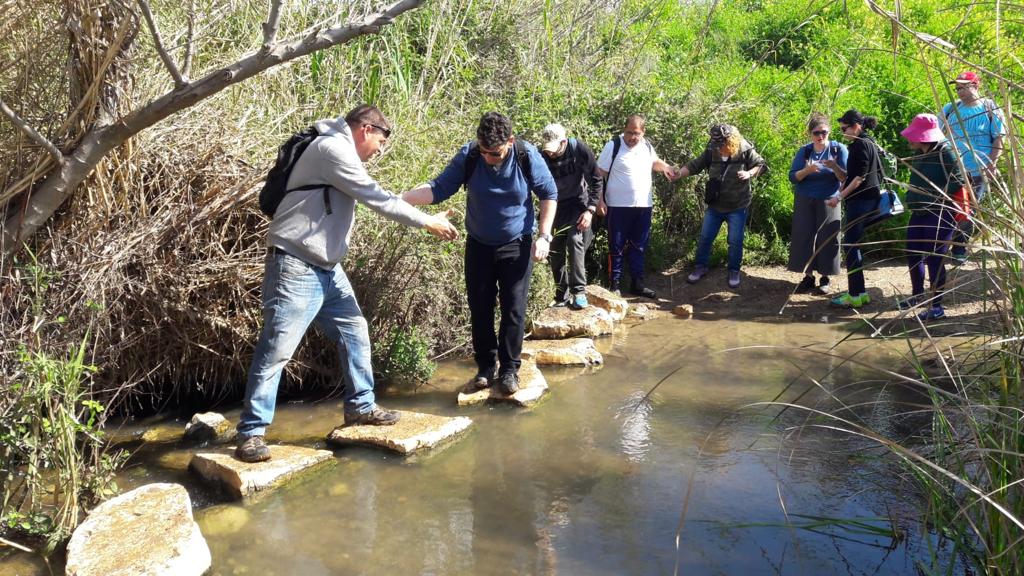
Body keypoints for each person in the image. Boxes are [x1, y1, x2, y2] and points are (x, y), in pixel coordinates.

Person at [235, 104, 459, 463]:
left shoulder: (338, 152)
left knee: (355, 330)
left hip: (326, 267)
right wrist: (425, 222)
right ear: (366, 130)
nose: (379, 152)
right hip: (296, 262)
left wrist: (419, 213)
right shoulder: (332, 149)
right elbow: (374, 197)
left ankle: (360, 407)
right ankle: (251, 433)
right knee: (277, 348)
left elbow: (376, 196)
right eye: (381, 144)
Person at [403, 112, 557, 396]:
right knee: (480, 307)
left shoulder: (526, 155)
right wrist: (398, 200)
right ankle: (485, 368)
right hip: (479, 244)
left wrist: (544, 236)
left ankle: (509, 370)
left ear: (510, 142)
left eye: (495, 154)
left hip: (517, 243)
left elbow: (549, 193)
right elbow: (438, 189)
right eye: (484, 151)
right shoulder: (471, 155)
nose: (489, 158)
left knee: (513, 309)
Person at [595, 114, 676, 298]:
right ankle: (614, 285)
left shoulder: (646, 146)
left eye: (636, 133)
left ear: (643, 133)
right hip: (617, 206)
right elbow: (599, 175)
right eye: (629, 132)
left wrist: (667, 168)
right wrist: (599, 201)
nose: (632, 137)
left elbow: (654, 162)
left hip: (643, 206)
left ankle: (637, 284)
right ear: (624, 130)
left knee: (639, 246)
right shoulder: (613, 146)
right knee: (616, 246)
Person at [678, 124, 767, 288]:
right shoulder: (711, 150)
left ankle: (734, 270)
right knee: (705, 238)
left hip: (738, 205)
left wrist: (749, 173)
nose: (719, 148)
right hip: (715, 205)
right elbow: (694, 165)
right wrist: (679, 173)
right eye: (716, 145)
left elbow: (761, 165)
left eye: (722, 145)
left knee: (735, 240)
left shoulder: (744, 149)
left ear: (731, 141)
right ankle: (700, 267)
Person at [899, 113, 964, 321]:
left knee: (935, 258)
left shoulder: (946, 153)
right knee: (913, 252)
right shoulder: (921, 152)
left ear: (924, 136)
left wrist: (934, 195)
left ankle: (937, 306)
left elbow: (960, 180)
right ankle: (918, 296)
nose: (909, 138)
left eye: (913, 134)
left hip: (940, 213)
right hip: (918, 212)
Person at [940, 70, 1006, 263]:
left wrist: (991, 166)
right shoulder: (950, 109)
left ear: (976, 86)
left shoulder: (991, 110)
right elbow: (937, 133)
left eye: (964, 87)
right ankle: (941, 246)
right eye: (957, 87)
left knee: (968, 211)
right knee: (947, 206)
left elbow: (998, 141)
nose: (959, 91)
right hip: (951, 168)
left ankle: (959, 250)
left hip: (978, 170)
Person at [537, 123, 603, 309]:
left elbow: (596, 180)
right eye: (546, 149)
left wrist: (590, 210)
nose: (550, 154)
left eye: (553, 149)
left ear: (563, 142)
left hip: (577, 203)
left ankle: (579, 292)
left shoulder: (578, 150)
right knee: (554, 246)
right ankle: (561, 295)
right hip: (554, 205)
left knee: (574, 240)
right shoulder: (541, 155)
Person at [826, 109, 883, 309]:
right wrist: (834, 166)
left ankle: (855, 295)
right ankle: (860, 293)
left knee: (850, 246)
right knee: (853, 245)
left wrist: (839, 197)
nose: (843, 132)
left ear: (856, 126)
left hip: (861, 201)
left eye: (844, 128)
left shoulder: (860, 145)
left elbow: (859, 179)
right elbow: (851, 177)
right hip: (867, 200)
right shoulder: (869, 142)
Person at [787, 113, 847, 295]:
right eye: (816, 133)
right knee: (804, 236)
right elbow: (793, 177)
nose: (821, 136)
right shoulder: (804, 151)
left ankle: (825, 278)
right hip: (805, 198)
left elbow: (846, 177)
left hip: (830, 199)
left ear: (829, 132)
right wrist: (808, 170)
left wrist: (834, 167)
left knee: (828, 237)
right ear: (810, 134)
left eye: (824, 132)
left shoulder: (839, 149)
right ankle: (808, 277)